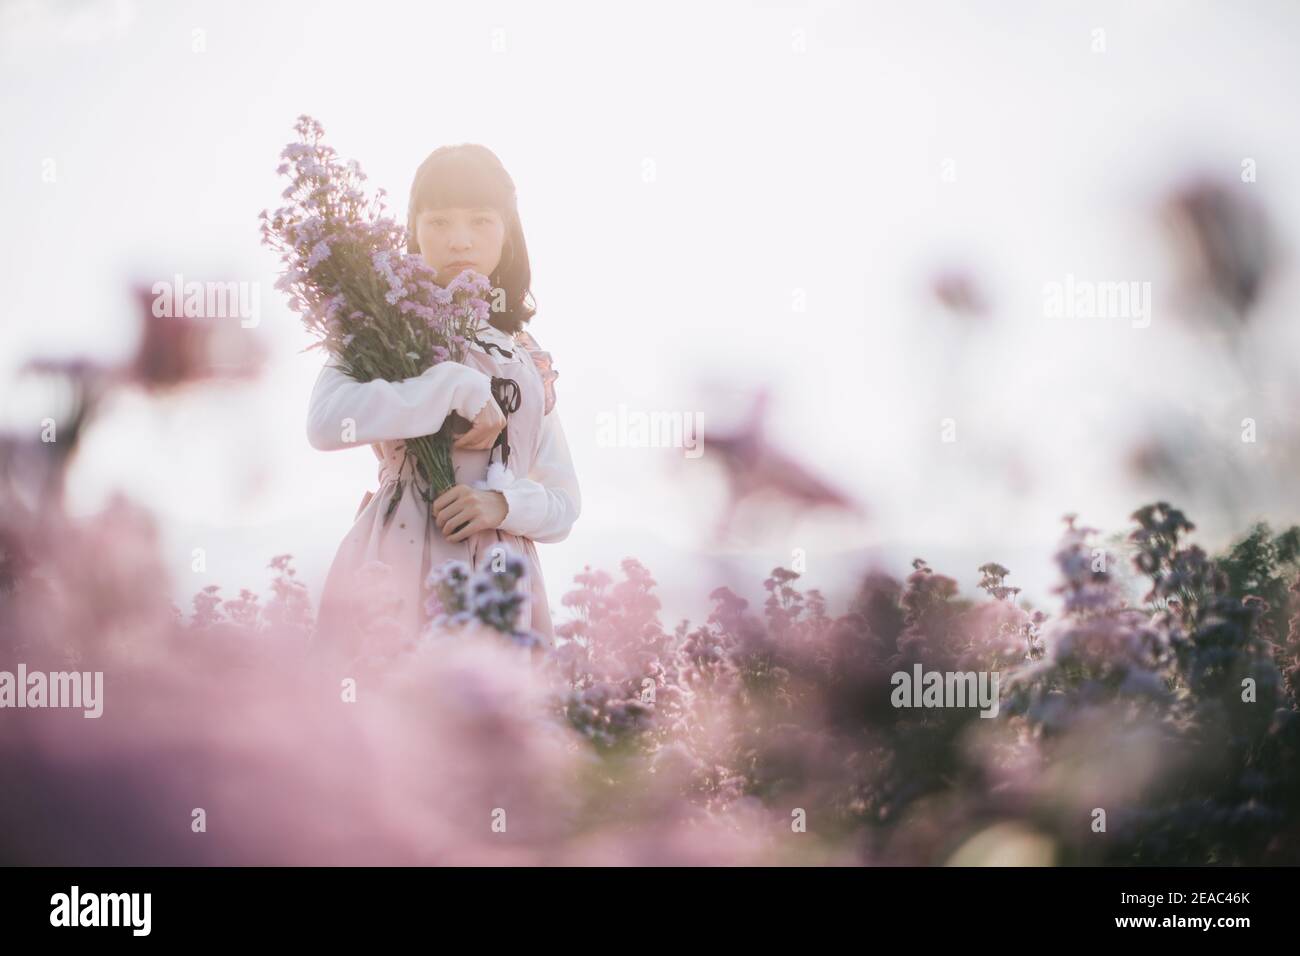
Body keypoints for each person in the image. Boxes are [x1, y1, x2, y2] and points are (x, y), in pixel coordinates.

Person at [306, 144, 580, 662]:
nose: (459, 240)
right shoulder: (379, 328)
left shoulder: (525, 355)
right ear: (413, 230)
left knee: (488, 729)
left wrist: (502, 504)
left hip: (502, 578)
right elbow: (325, 422)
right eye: (438, 222)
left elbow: (565, 503)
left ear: (507, 233)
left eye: (480, 220)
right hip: (396, 555)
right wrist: (454, 386)